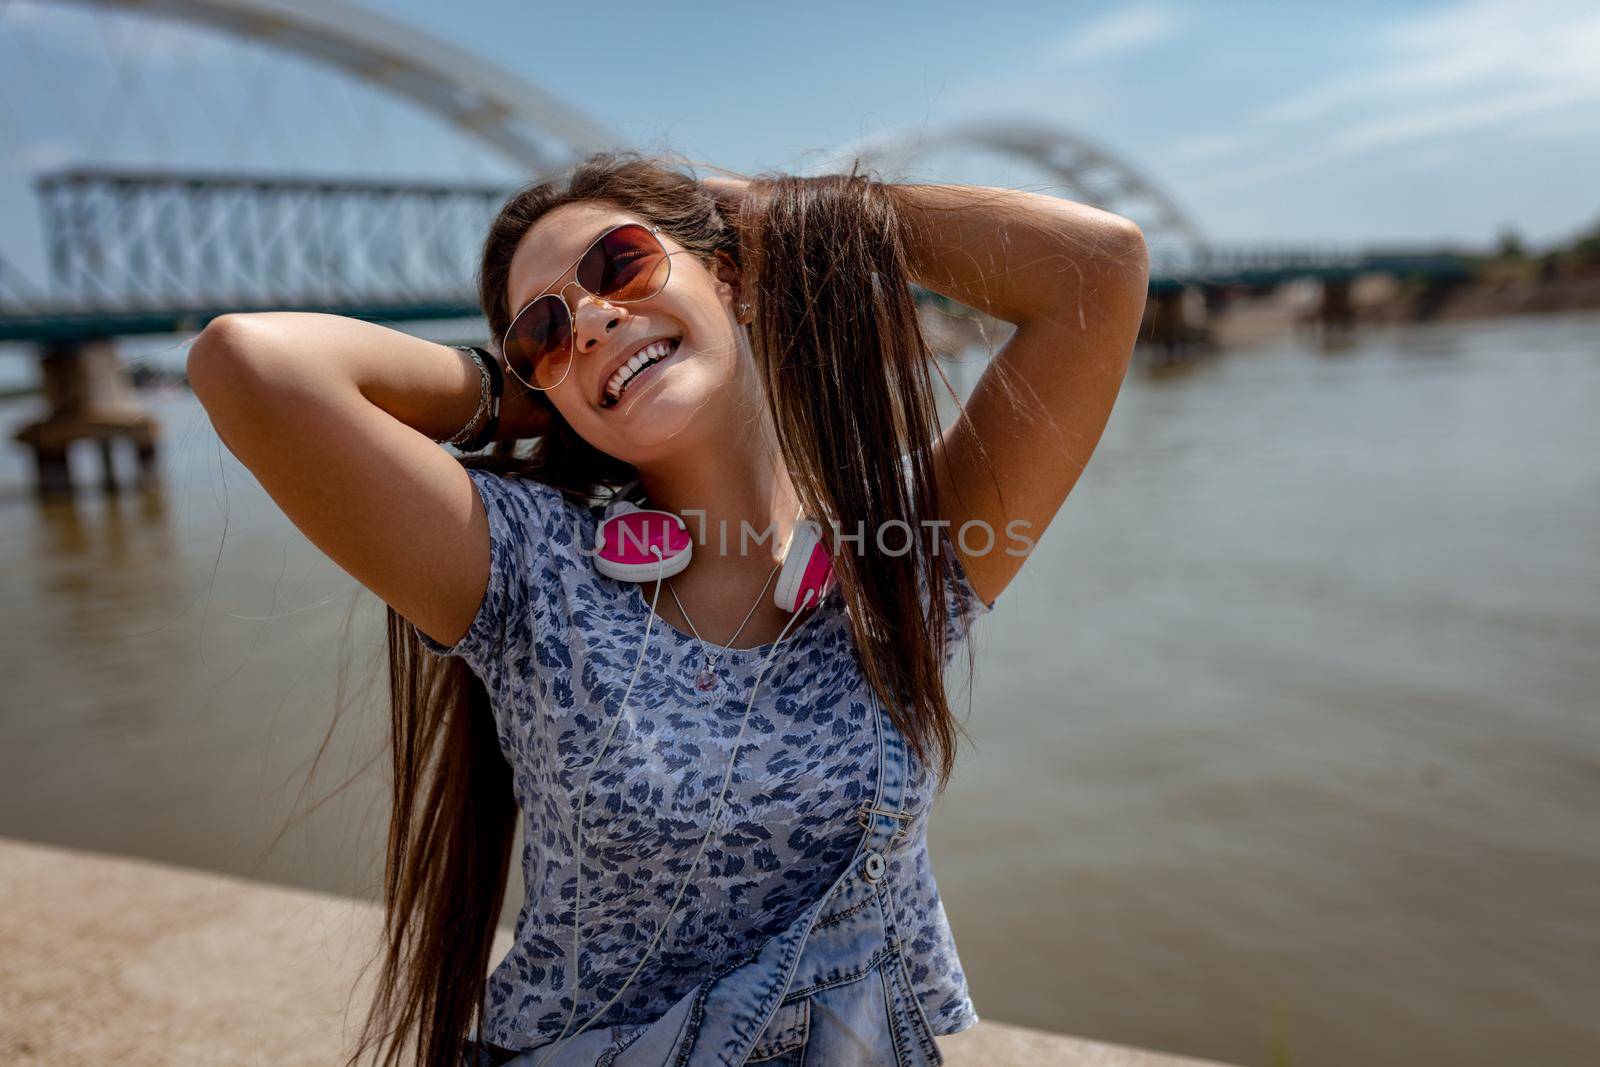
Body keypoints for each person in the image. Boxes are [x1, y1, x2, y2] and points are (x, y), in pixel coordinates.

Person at [186, 151, 1149, 1066]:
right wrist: (532, 396)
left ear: (729, 277)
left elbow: (1098, 271)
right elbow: (247, 363)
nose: (593, 317)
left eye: (624, 263)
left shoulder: (899, 557)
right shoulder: (528, 566)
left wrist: (790, 216)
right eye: (544, 330)